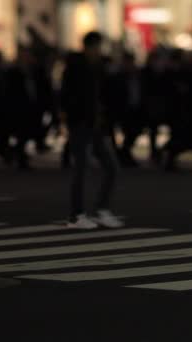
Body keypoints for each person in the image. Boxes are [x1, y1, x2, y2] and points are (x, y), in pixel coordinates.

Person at [61, 31, 123, 229]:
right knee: (82, 168)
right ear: (89, 47)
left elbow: (103, 92)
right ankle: (76, 214)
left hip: (95, 124)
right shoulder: (75, 67)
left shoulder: (97, 67)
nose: (99, 51)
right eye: (97, 47)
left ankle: (100, 209)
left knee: (111, 167)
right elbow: (67, 97)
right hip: (81, 123)